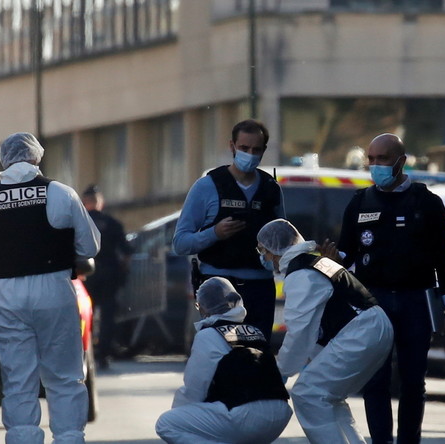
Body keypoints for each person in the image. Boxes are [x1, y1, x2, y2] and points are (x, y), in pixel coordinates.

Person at [0, 132, 100, 444]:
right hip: (54, 289)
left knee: (18, 377)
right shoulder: (61, 193)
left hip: (5, 293)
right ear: (37, 157)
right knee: (64, 375)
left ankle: (23, 438)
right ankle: (68, 437)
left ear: (4, 159)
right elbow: (90, 246)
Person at [333, 133, 445, 444]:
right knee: (376, 380)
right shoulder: (359, 202)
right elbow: (345, 255)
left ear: (401, 162)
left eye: (383, 159)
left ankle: (409, 440)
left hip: (415, 300)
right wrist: (331, 259)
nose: (375, 166)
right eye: (371, 160)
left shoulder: (427, 203)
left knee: (413, 381)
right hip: (373, 303)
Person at [257, 219, 394, 443]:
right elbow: (315, 329)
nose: (264, 257)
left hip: (360, 332)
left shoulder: (301, 274)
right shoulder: (315, 262)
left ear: (274, 250)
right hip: (371, 327)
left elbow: (299, 333)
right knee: (329, 397)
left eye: (263, 250)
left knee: (307, 394)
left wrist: (280, 372)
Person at [172, 119, 285, 340]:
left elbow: (283, 241)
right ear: (232, 146)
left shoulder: (271, 189)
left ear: (263, 151)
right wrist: (215, 233)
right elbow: (180, 243)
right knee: (220, 356)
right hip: (218, 288)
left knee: (257, 356)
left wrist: (274, 254)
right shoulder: (207, 186)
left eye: (256, 150)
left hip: (259, 287)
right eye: (244, 148)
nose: (250, 154)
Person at [155, 277, 292, 443]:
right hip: (279, 413)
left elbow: (195, 388)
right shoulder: (253, 330)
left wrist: (182, 415)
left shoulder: (209, 335)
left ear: (204, 307)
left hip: (245, 413)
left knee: (167, 424)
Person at [81, 184, 132, 369]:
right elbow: (126, 252)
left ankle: (87, 352)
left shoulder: (78, 222)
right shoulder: (112, 222)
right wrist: (123, 272)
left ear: (84, 202)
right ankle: (104, 353)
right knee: (108, 316)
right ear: (100, 202)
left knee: (85, 314)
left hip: (85, 274)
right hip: (109, 274)